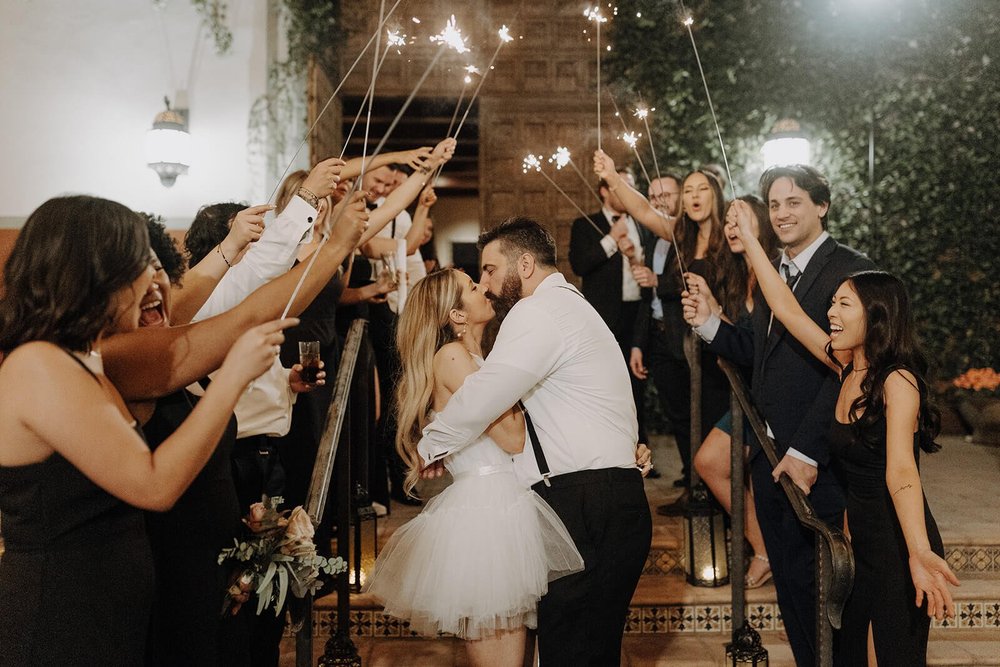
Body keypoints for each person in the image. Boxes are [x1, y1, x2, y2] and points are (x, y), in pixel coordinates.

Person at [0, 195, 293, 665]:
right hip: (63, 611)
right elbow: (154, 484)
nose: (151, 280)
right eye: (140, 263)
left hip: (110, 607)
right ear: (98, 273)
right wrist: (233, 377)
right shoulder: (38, 364)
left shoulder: (81, 360)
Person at [714, 198, 959, 665]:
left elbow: (902, 474)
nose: (831, 312)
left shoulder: (897, 381)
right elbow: (786, 309)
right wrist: (750, 242)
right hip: (859, 542)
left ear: (876, 316)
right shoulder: (848, 369)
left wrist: (919, 554)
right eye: (831, 303)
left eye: (843, 304)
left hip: (897, 543)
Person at [418, 217, 652, 665]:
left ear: (523, 264)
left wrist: (432, 443)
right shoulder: (574, 305)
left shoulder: (536, 311)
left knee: (571, 650)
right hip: (608, 497)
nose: (485, 284)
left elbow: (486, 395)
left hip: (584, 501)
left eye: (488, 269)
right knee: (592, 650)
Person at [687, 165, 875, 664]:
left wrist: (807, 451)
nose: (782, 213)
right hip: (768, 457)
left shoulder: (849, 270)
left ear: (822, 206)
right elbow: (756, 349)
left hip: (818, 462)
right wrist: (708, 322)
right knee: (792, 589)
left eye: (794, 202)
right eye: (774, 204)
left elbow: (849, 372)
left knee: (829, 593)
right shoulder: (774, 269)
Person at [365, 269, 584, 665]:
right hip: (489, 517)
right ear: (457, 316)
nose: (483, 287)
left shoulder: (477, 358)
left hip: (509, 500)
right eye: (471, 286)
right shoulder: (451, 356)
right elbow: (512, 436)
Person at [686, 196, 779, 589]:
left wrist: (710, 321)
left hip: (773, 397)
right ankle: (764, 547)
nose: (730, 226)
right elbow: (741, 337)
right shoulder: (741, 274)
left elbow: (760, 347)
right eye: (727, 220)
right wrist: (710, 304)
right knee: (708, 461)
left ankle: (768, 550)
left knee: (743, 470)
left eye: (739, 218)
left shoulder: (776, 273)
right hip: (749, 396)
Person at [568, 168, 651, 445]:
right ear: (604, 190)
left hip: (639, 313)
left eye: (630, 186)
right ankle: (609, 444)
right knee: (604, 382)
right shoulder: (584, 225)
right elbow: (580, 264)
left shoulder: (642, 225)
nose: (626, 192)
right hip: (603, 317)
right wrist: (611, 239)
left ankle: (640, 446)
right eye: (620, 186)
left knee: (637, 383)